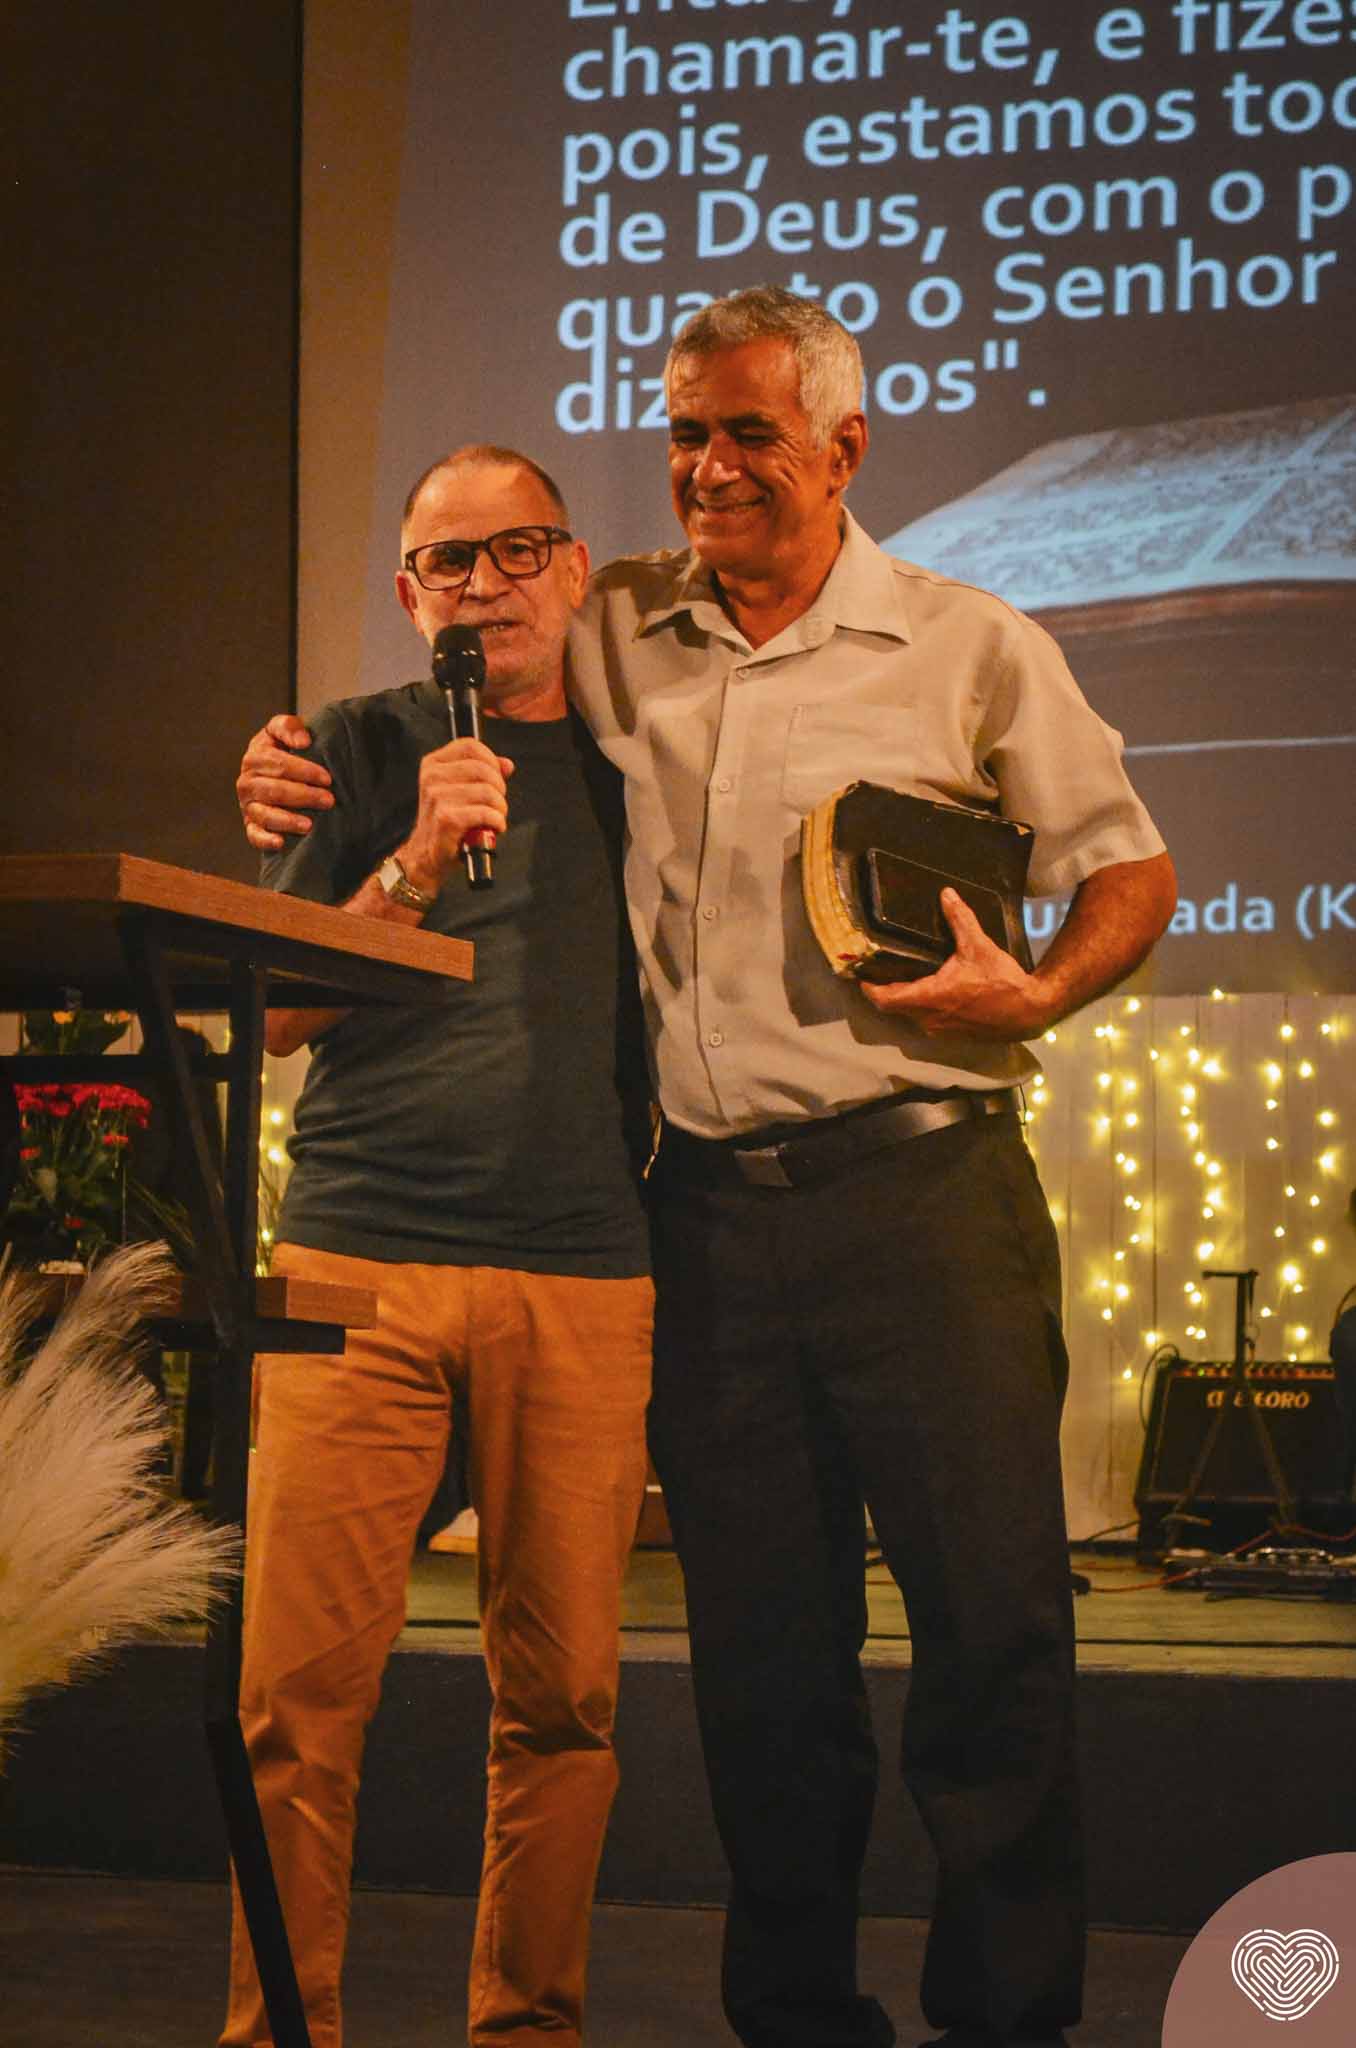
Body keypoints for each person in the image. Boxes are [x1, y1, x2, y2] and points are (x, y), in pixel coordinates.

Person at [239, 288, 1177, 2048]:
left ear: (845, 447)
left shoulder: (967, 641)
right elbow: (469, 626)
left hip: (926, 1198)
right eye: (684, 432)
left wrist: (1043, 987)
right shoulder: (620, 624)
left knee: (991, 1633)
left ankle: (1005, 2015)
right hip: (710, 1224)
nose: (711, 466)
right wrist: (292, 758)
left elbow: (1130, 865)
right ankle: (798, 2017)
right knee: (764, 1666)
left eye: (751, 431)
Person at [223, 446, 653, 2048]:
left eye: (517, 550)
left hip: (583, 1268)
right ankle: (281, 2029)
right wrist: (408, 863)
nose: (486, 587)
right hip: (359, 1260)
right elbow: (282, 1017)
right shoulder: (347, 747)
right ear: (409, 593)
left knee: (567, 1705)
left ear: (575, 567)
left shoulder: (651, 757)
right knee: (296, 1701)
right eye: (450, 564)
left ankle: (527, 2027)